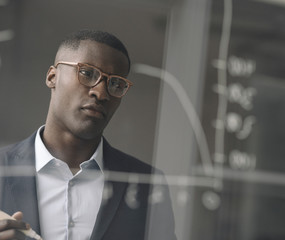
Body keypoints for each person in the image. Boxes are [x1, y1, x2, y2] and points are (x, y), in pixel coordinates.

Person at [0, 30, 176, 240]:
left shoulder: (147, 184)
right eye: (87, 73)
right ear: (52, 77)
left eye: (115, 84)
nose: (101, 93)